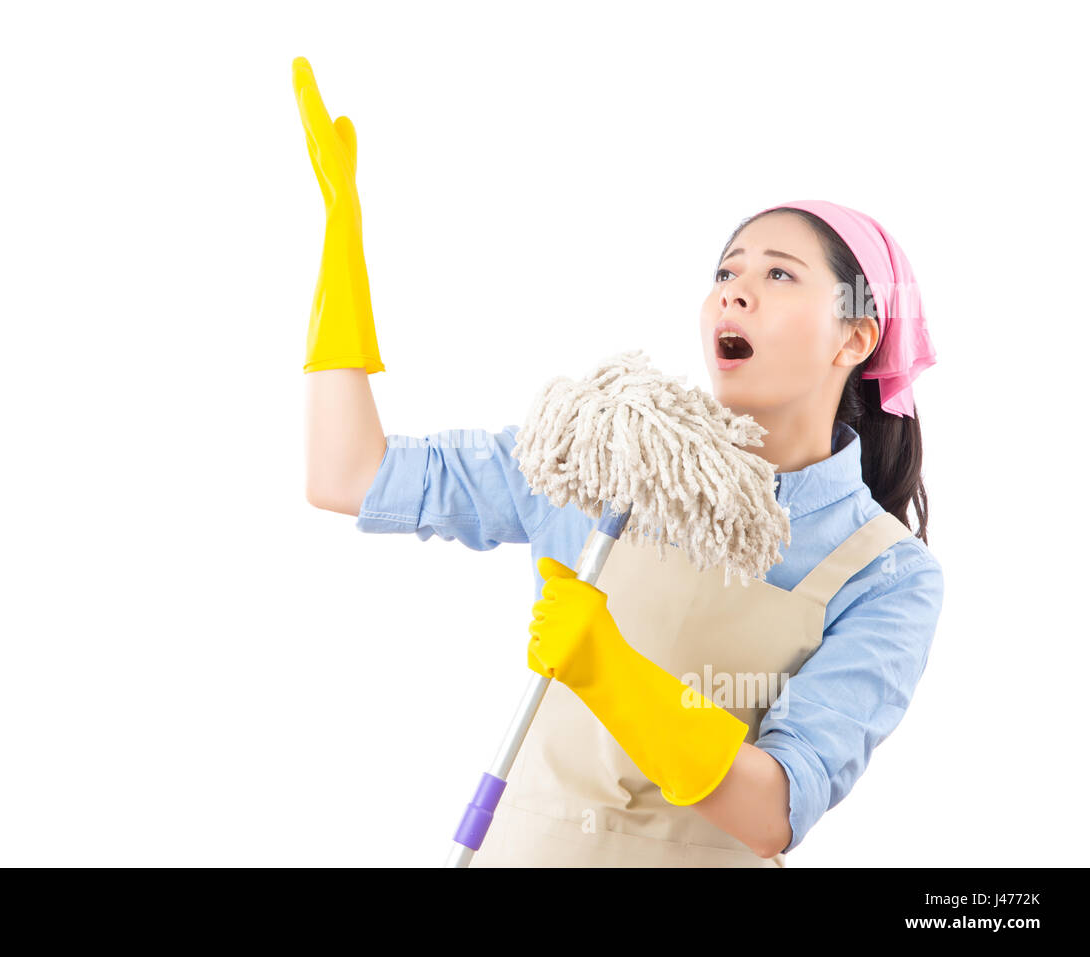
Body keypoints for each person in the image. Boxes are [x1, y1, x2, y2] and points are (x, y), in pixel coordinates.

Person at [294, 56, 944, 866]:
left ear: (855, 335)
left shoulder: (885, 574)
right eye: (726, 272)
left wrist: (610, 669)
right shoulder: (603, 451)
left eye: (779, 275)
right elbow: (347, 474)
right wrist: (340, 244)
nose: (735, 292)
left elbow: (776, 807)